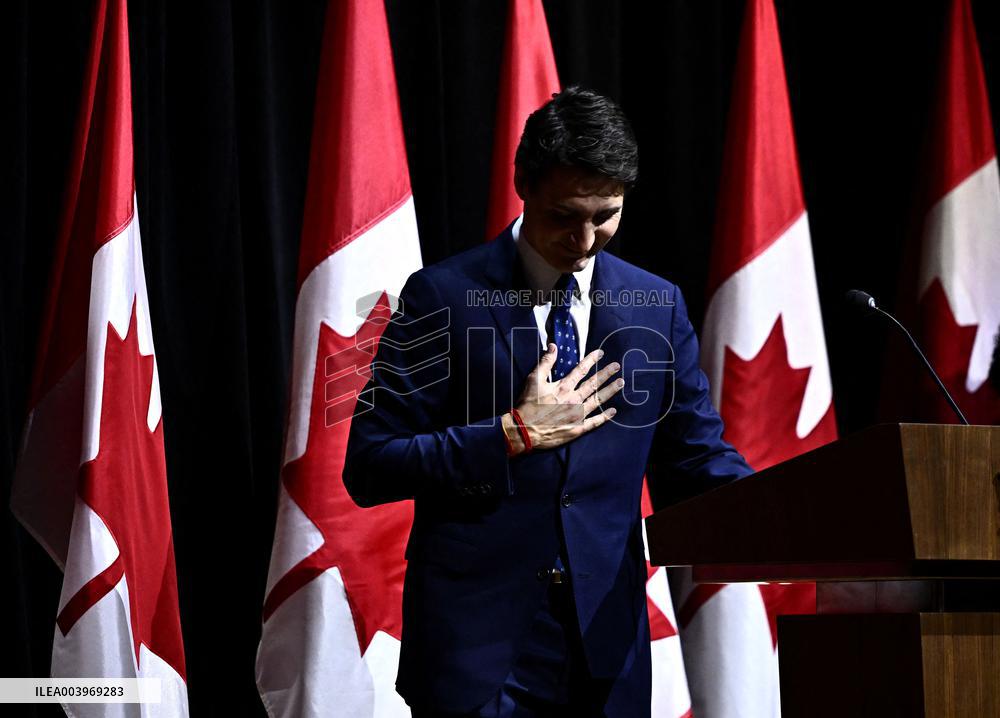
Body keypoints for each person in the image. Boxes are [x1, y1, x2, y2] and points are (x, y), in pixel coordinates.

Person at [343, 86, 751, 717]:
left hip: (604, 652)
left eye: (606, 214)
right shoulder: (441, 297)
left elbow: (697, 461)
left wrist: (798, 509)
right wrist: (511, 434)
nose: (586, 239)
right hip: (477, 657)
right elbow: (369, 465)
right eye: (566, 215)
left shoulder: (656, 306)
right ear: (522, 184)